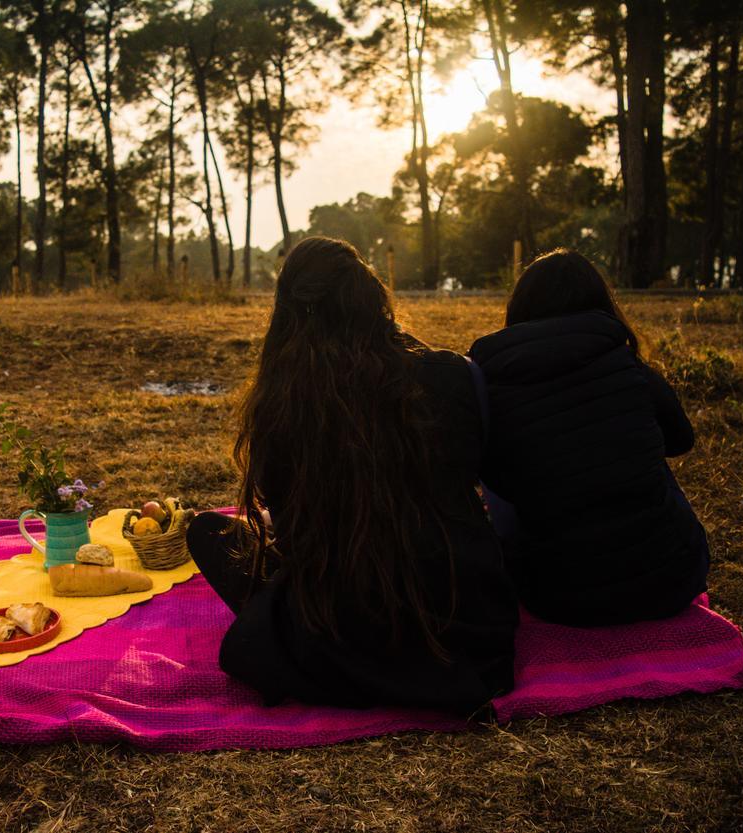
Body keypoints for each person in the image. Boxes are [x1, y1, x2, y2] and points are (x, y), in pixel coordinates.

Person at [185, 236, 519, 715]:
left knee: (209, 533)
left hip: (344, 632)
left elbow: (297, 536)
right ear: (371, 296)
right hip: (467, 624)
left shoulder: (282, 402)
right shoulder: (448, 373)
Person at [468, 249, 709, 626]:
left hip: (556, 598)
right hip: (671, 582)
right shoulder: (624, 360)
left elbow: (499, 481)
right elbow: (680, 440)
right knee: (651, 460)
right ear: (600, 300)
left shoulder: (492, 376)